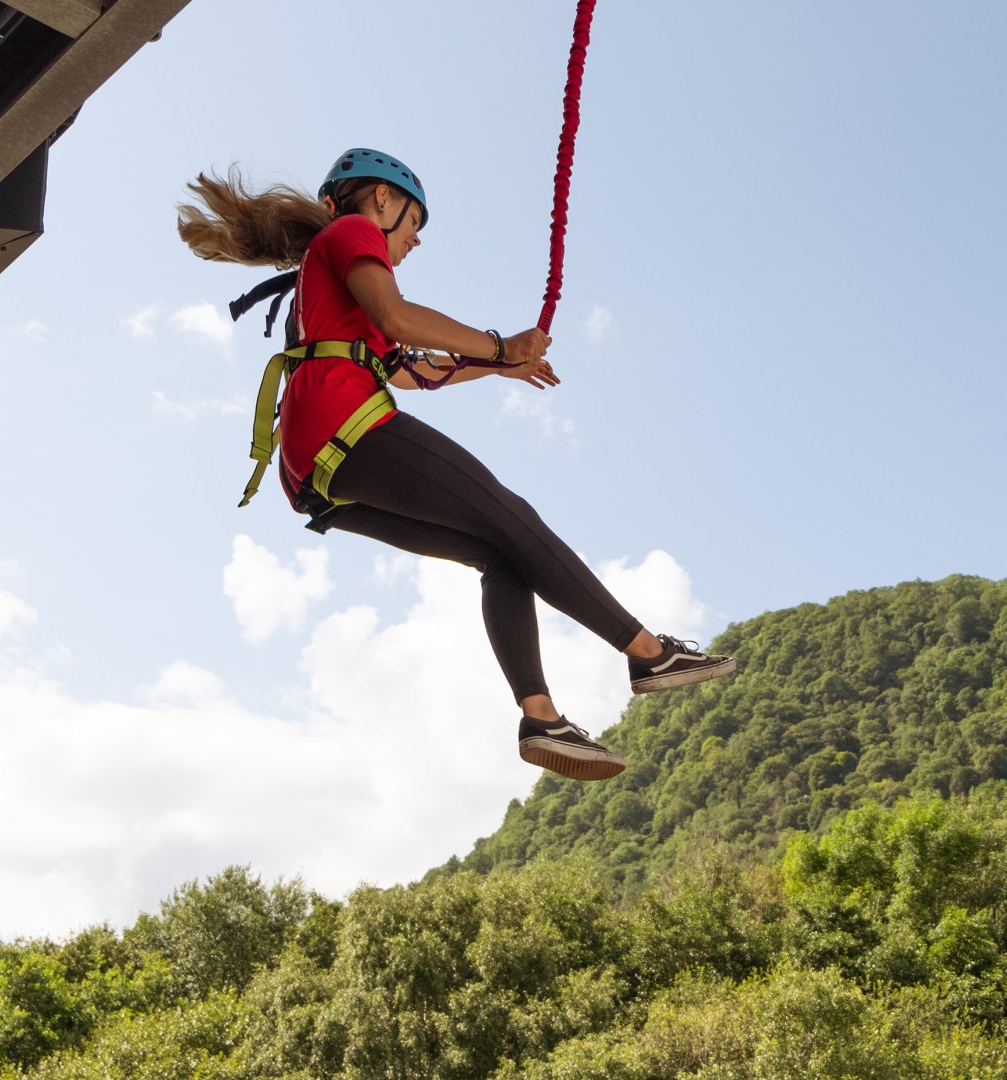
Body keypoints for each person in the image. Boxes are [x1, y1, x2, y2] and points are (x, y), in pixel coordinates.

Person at [176, 148, 734, 782]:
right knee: (512, 515)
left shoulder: (331, 281)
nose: (414, 241)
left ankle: (541, 719)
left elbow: (413, 369)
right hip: (344, 423)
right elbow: (400, 318)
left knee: (500, 552)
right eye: (415, 222)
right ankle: (649, 653)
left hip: (314, 470)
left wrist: (503, 364)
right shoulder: (353, 234)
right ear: (382, 200)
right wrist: (501, 344)